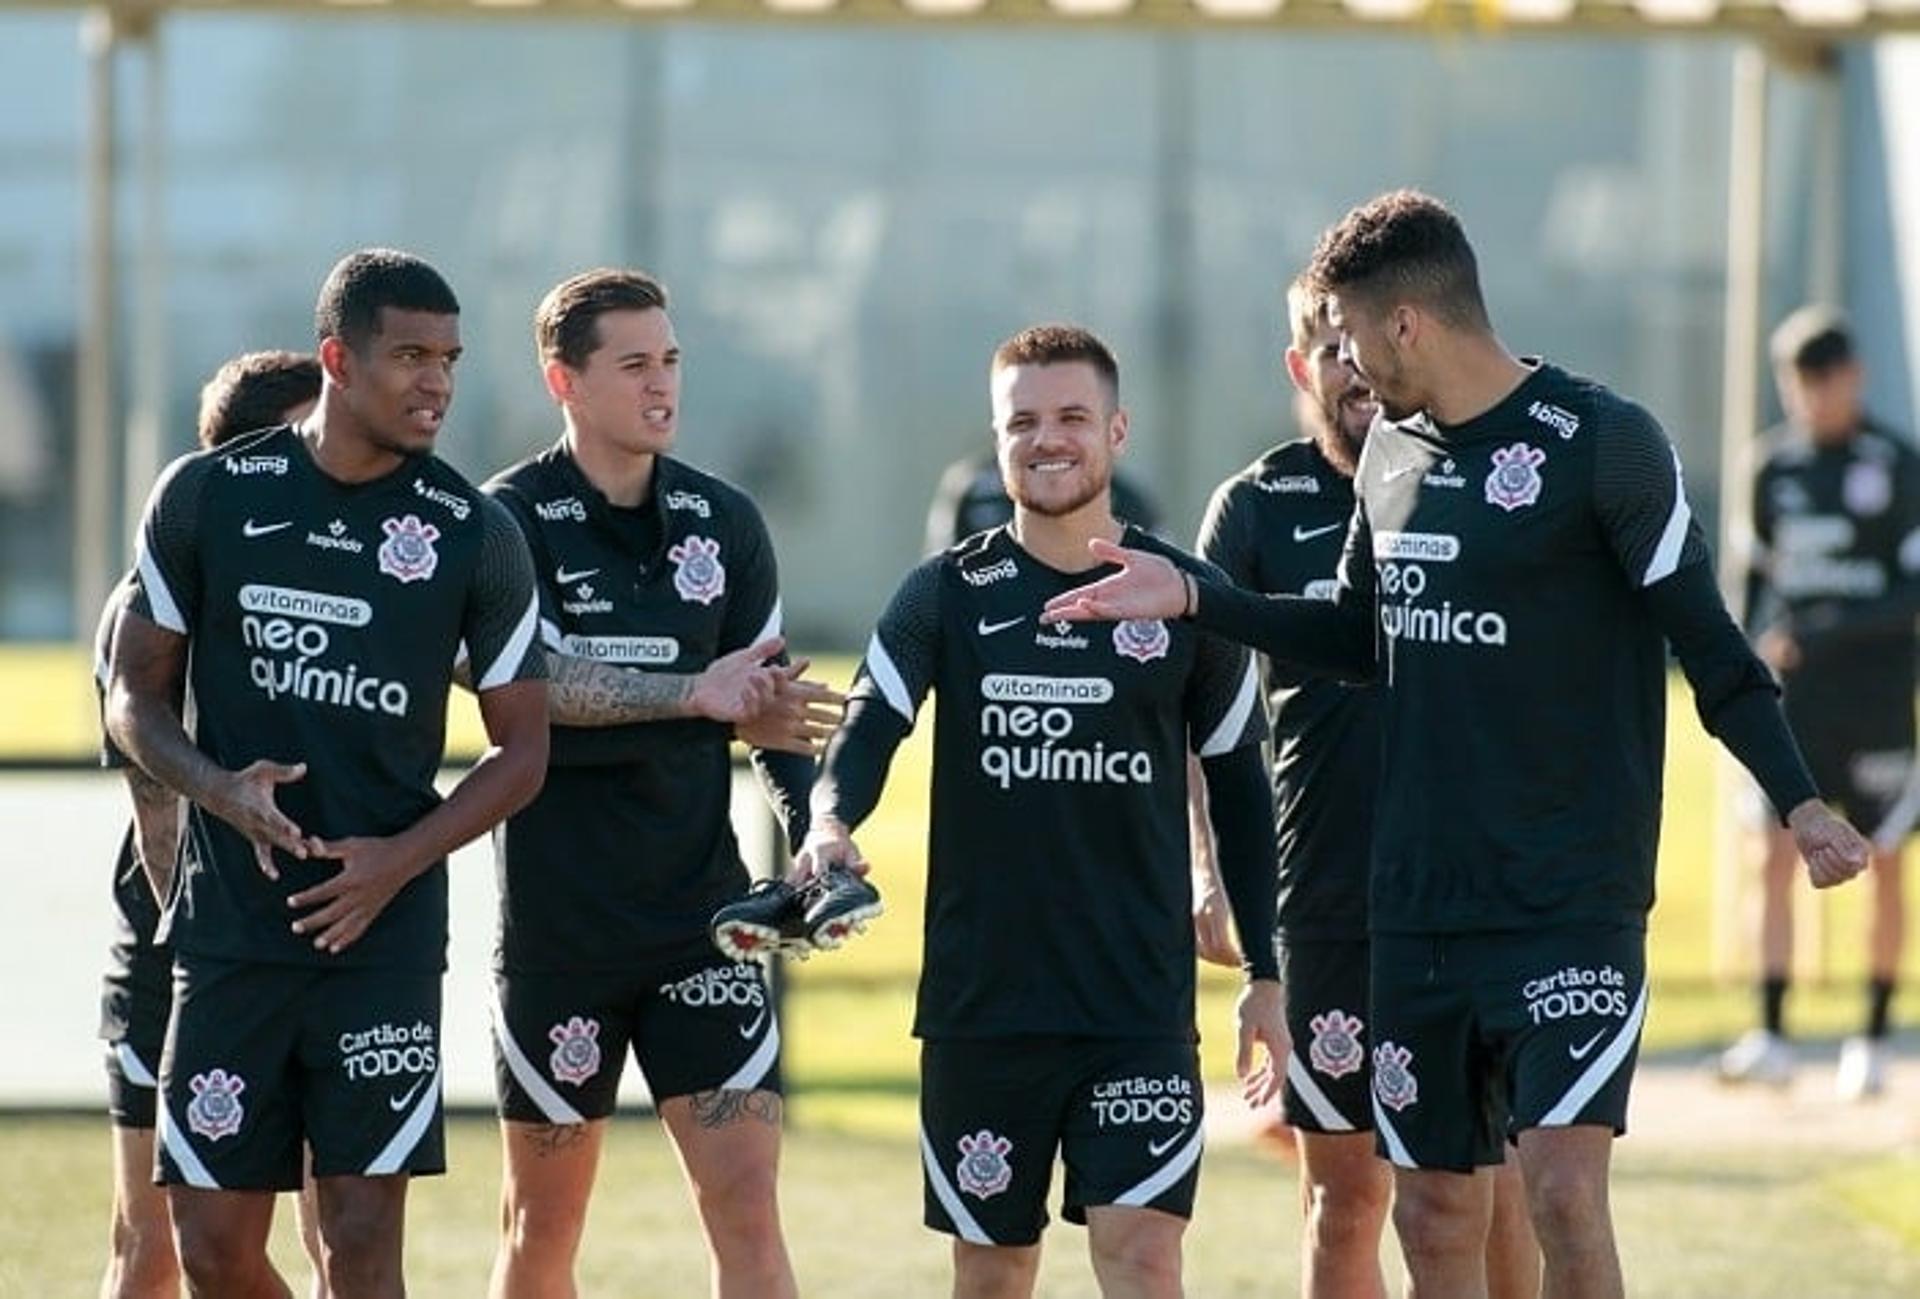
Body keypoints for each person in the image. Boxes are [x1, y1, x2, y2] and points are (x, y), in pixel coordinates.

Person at [1040, 191, 1871, 1299]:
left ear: (1406, 326)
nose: (1339, 367)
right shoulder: (1390, 459)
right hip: (1416, 910)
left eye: (1346, 336)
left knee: (1561, 1196)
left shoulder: (1605, 445)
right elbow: (1347, 634)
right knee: (1431, 1213)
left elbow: (1711, 644)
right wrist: (1195, 598)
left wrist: (1799, 801)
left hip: (1568, 900)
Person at [802, 323, 1286, 1298]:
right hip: (984, 1012)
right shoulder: (944, 593)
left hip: (1135, 1009)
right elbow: (867, 725)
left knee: (1145, 1258)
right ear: (997, 438)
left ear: (1117, 431)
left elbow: (1239, 786)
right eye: (1022, 421)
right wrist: (828, 821)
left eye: (1071, 416)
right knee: (992, 1273)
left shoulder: (1185, 601)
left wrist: (1267, 973)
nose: (1047, 438)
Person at [106, 249, 551, 1298]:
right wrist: (222, 791)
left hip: (380, 936)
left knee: (358, 1240)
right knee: (210, 1250)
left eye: (448, 358)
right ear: (336, 360)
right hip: (230, 936)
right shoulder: (209, 495)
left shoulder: (473, 534)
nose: (437, 380)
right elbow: (135, 699)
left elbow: (522, 749)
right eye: (409, 355)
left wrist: (396, 861)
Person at [481, 268, 848, 1299]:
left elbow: (769, 714)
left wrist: (816, 826)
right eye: (633, 363)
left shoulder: (724, 523)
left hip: (704, 926)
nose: (662, 384)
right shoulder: (507, 522)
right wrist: (694, 692)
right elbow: (526, 686)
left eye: (671, 360)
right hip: (562, 938)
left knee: (745, 1207)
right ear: (565, 379)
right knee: (541, 1232)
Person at [1190, 280, 1539, 1298]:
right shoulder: (1255, 508)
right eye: (1326, 351)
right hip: (1326, 902)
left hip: (1476, 899)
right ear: (1303, 369)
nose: (1353, 371)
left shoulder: (1481, 480)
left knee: (1495, 1185)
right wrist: (1209, 871)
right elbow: (1197, 716)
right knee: (1343, 1196)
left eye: (1365, 346)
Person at [96, 351, 325, 1299]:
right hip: (185, 956)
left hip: (324, 942)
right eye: (322, 429)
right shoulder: (152, 599)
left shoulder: (344, 577)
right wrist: (218, 960)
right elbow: (160, 833)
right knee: (153, 1249)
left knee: (339, 1242)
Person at [1718, 306, 1920, 1100]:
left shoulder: (1899, 467)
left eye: (1822, 382)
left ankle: (1870, 1037)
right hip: (1788, 706)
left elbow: (1911, 592)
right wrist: (1751, 644)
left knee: (1884, 858)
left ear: (1853, 378)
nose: (1810, 399)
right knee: (1769, 856)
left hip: (1873, 702)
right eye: (1795, 385)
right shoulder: (1771, 467)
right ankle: (1770, 1029)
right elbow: (1751, 584)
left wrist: (1826, 628)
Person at [924, 445, 1163, 555]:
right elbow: (941, 580)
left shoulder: (1126, 495)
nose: (1049, 438)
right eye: (1026, 418)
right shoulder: (971, 488)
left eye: (1070, 417)